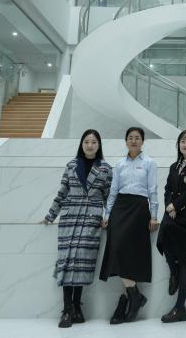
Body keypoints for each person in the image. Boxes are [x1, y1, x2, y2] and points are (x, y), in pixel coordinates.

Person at [41, 129, 113, 328]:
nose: (90, 145)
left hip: (91, 218)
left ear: (99, 145)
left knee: (82, 262)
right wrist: (50, 215)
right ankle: (66, 309)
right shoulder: (71, 165)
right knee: (67, 260)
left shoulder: (106, 168)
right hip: (70, 217)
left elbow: (109, 197)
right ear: (82, 144)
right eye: (87, 141)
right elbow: (62, 192)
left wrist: (107, 216)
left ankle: (76, 306)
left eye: (94, 142)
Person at [99, 127, 159, 324]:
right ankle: (135, 295)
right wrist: (107, 214)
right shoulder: (119, 164)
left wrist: (154, 216)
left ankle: (129, 299)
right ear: (126, 141)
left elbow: (153, 191)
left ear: (142, 141)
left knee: (131, 255)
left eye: (137, 138)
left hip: (140, 209)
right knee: (116, 249)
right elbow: (113, 191)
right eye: (130, 138)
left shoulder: (149, 163)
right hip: (120, 208)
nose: (134, 141)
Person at [156, 130, 186, 323]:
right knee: (163, 238)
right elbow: (167, 189)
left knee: (184, 261)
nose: (185, 144)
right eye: (182, 141)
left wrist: (175, 206)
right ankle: (174, 273)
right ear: (178, 145)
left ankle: (180, 308)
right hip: (173, 215)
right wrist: (169, 205)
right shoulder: (173, 166)